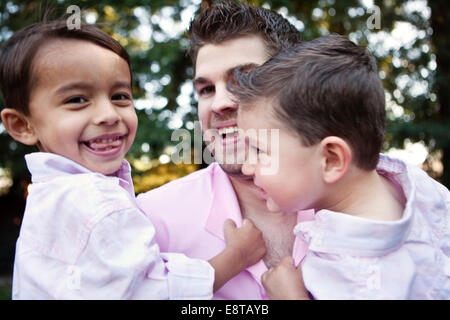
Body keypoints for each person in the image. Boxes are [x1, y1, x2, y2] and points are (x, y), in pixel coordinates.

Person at [0, 20, 266, 299]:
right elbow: (151, 292)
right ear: (22, 125)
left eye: (119, 96)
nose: (109, 114)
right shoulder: (94, 200)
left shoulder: (51, 199)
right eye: (77, 99)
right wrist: (235, 257)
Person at [229, 34, 450, 299]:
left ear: (331, 159)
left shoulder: (355, 278)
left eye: (259, 150)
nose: (247, 166)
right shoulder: (421, 191)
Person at [136, 1, 313, 300]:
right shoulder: (150, 222)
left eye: (243, 79)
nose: (219, 104)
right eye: (206, 89)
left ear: (297, 85)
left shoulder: (384, 197)